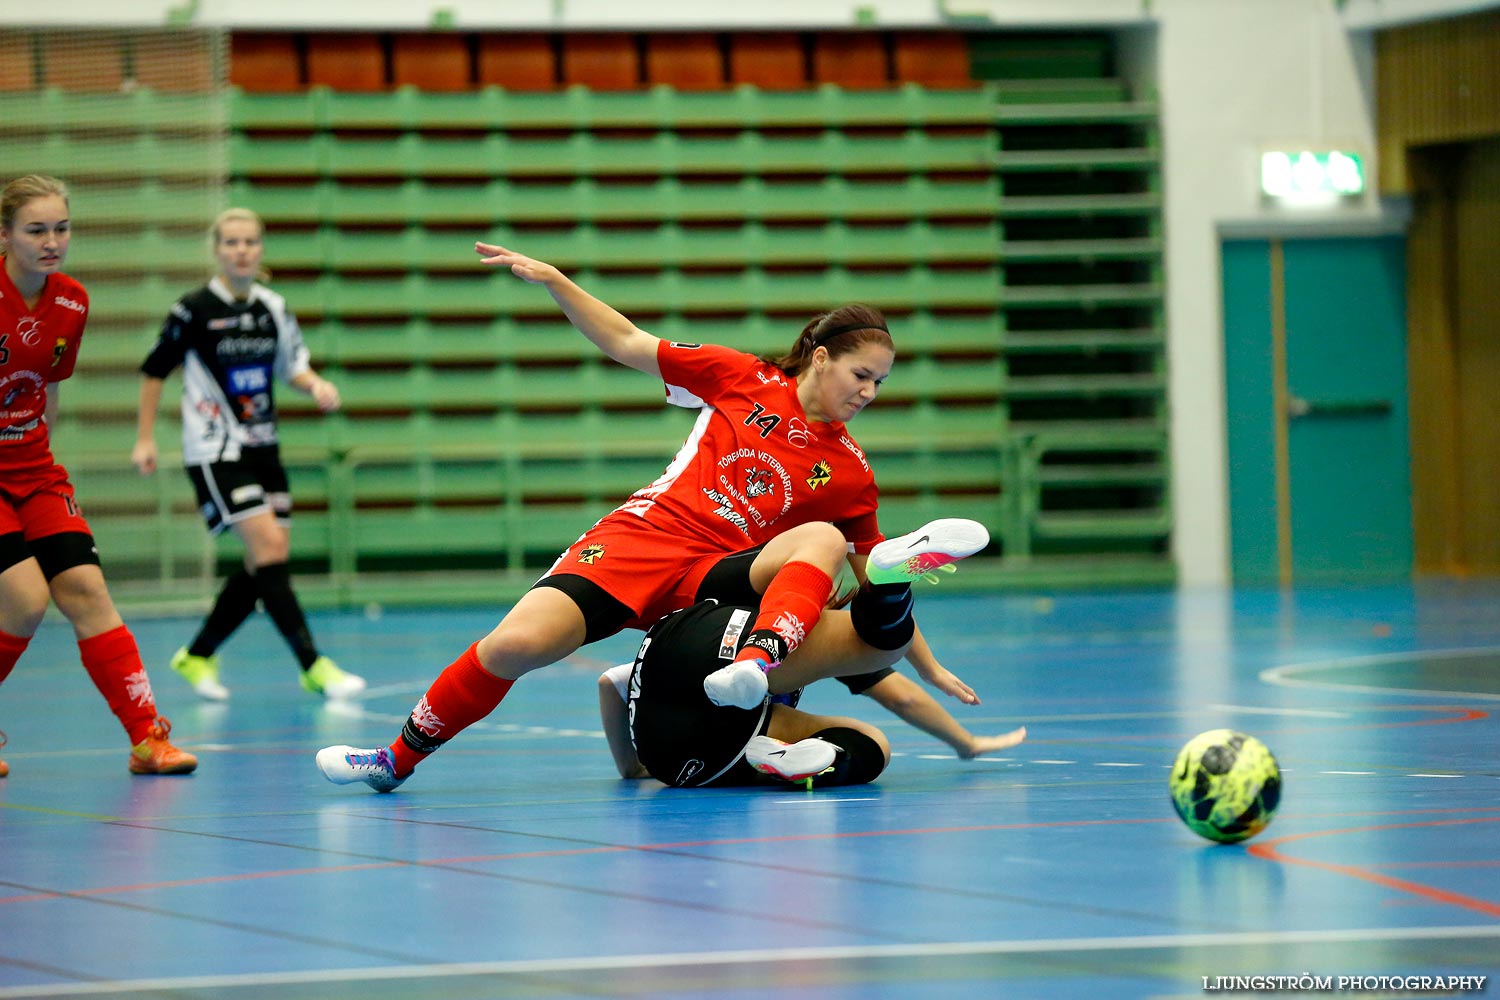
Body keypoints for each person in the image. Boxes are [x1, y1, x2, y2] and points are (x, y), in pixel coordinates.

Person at [316, 243, 984, 792]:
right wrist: (556, 282)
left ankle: (756, 661)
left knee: (822, 539)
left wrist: (922, 661)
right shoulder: (739, 376)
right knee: (514, 646)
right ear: (820, 358)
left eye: (880, 384)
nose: (868, 393)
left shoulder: (850, 471)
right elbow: (627, 340)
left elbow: (875, 572)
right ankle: (392, 761)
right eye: (861, 376)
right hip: (644, 538)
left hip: (719, 579)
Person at [0, 174, 197, 777]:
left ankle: (148, 739)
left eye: (61, 228)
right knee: (27, 601)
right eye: (36, 230)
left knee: (87, 590)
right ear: (5, 234)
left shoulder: (72, 301)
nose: (52, 241)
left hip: (35, 471)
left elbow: (49, 392)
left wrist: (40, 463)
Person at [131, 208, 364, 702]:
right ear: (217, 250)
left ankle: (196, 656)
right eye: (232, 242)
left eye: (250, 242)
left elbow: (292, 367)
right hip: (215, 449)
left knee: (266, 561)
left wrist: (315, 385)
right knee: (269, 551)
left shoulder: (272, 308)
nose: (242, 250)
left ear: (260, 249)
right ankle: (313, 665)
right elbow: (155, 371)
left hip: (265, 447)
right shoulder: (192, 309)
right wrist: (145, 438)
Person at [599, 553, 1028, 789]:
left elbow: (610, 683)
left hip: (672, 746)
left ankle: (789, 753)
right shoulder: (801, 634)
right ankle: (889, 588)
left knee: (771, 695)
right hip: (717, 740)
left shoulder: (731, 607)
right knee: (872, 742)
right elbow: (903, 695)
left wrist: (632, 765)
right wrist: (965, 742)